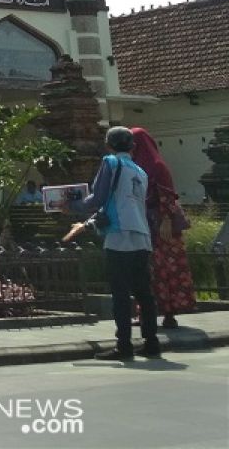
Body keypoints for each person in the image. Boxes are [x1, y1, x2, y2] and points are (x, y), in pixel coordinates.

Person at [66, 126, 160, 361]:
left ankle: (124, 346)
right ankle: (151, 342)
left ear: (108, 145)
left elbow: (98, 198)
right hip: (142, 234)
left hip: (119, 235)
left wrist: (72, 206)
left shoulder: (111, 163)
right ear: (132, 147)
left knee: (120, 293)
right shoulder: (140, 171)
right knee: (144, 293)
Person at [130, 127, 196, 329]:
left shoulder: (157, 166)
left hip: (161, 224)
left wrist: (166, 219)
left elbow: (167, 194)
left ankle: (169, 313)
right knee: (149, 269)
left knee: (166, 268)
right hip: (146, 222)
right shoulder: (135, 166)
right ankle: (148, 313)